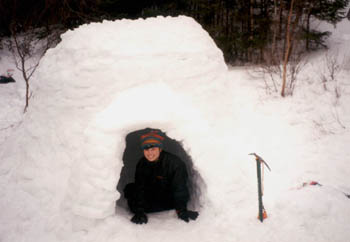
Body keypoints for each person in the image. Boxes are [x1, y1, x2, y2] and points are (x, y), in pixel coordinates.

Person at [124, 130, 199, 224]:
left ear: (160, 149)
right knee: (130, 188)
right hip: (153, 193)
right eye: (146, 149)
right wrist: (140, 211)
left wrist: (181, 210)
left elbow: (179, 188)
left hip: (169, 198)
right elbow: (140, 187)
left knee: (133, 200)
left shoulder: (175, 163)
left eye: (153, 149)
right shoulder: (142, 163)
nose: (150, 153)